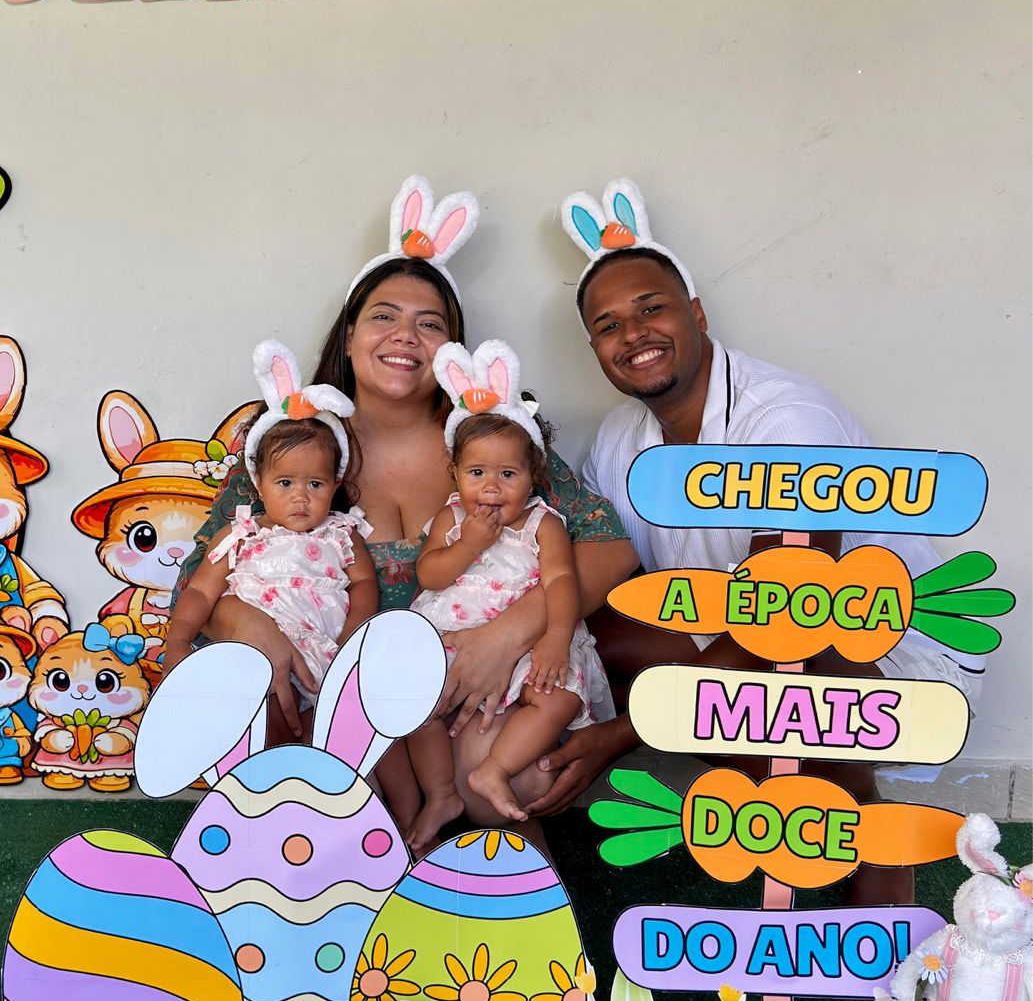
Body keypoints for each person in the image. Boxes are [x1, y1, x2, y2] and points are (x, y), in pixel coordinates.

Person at [526, 177, 982, 903]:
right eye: (609, 325)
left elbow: (792, 620)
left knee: (791, 669)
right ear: (594, 349)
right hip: (737, 634)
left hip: (880, 653)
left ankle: (871, 847)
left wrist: (619, 735)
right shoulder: (620, 437)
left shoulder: (784, 418)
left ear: (696, 313)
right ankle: (771, 801)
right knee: (591, 639)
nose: (633, 334)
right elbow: (609, 586)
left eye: (651, 308)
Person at [170, 175, 637, 838]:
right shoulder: (298, 441)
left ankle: (512, 897)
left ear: (453, 353)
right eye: (384, 316)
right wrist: (248, 622)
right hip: (337, 690)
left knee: (516, 775)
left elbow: (610, 548)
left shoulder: (488, 439)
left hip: (471, 689)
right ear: (349, 334)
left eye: (430, 324)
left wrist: (507, 634)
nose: (405, 336)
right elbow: (208, 573)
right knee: (304, 780)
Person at [406, 340, 612, 841]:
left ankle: (494, 770)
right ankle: (439, 796)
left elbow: (561, 580)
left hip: (528, 645)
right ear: (456, 473)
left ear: (533, 476)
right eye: (477, 473)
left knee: (560, 700)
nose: (492, 487)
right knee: (416, 707)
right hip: (452, 636)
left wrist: (556, 637)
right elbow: (430, 575)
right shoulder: (452, 518)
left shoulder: (544, 523)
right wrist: (468, 545)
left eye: (508, 474)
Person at [162, 342, 377, 700]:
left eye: (315, 484)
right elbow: (200, 591)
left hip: (325, 660)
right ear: (259, 485)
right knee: (263, 713)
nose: (300, 496)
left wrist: (352, 638)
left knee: (318, 724)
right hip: (252, 655)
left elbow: (364, 583)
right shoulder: (240, 535)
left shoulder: (341, 534)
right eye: (285, 483)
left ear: (335, 483)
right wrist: (178, 640)